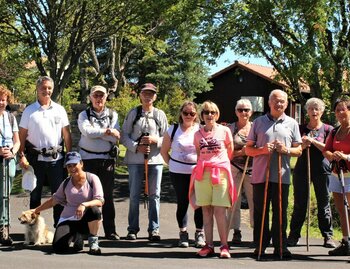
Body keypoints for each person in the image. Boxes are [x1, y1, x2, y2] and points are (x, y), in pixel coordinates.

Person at [245, 89, 302, 259]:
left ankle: (281, 247)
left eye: (282, 101)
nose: (279, 104)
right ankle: (260, 246)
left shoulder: (292, 123)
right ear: (269, 103)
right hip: (260, 176)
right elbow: (248, 149)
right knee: (261, 212)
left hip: (282, 175)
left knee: (280, 212)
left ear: (286, 104)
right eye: (276, 101)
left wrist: (285, 150)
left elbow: (298, 150)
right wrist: (262, 150)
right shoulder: (258, 122)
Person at [18, 76, 72, 227]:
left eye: (49, 88)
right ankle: (33, 230)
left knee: (59, 196)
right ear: (37, 89)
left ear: (52, 89)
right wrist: (22, 156)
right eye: (43, 88)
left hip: (57, 160)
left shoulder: (59, 110)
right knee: (35, 196)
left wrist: (69, 156)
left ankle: (60, 228)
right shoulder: (29, 111)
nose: (46, 90)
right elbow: (21, 136)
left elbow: (67, 134)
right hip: (35, 160)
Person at [32, 151, 104, 255]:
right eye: (69, 166)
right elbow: (54, 200)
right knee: (58, 248)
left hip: (87, 220)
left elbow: (100, 201)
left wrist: (84, 204)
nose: (72, 168)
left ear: (81, 164)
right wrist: (36, 210)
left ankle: (93, 242)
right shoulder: (66, 182)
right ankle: (77, 236)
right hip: (69, 218)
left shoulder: (92, 178)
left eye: (75, 165)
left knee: (95, 210)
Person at [121, 83, 168, 241]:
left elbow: (166, 138)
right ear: (140, 95)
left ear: (155, 96)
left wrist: (156, 140)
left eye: (151, 94)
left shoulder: (160, 114)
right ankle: (132, 229)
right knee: (134, 196)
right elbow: (124, 136)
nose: (148, 96)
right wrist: (136, 147)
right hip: (135, 161)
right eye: (145, 93)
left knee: (154, 196)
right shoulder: (133, 113)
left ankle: (154, 229)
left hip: (155, 161)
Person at [190, 100, 235, 259]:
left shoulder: (225, 131)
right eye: (206, 112)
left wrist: (219, 163)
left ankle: (224, 245)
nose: (209, 115)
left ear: (217, 114)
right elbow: (198, 153)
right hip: (203, 174)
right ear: (201, 115)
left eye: (212, 112)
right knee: (206, 210)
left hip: (220, 173)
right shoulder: (197, 134)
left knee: (220, 210)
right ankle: (209, 245)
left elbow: (230, 151)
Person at [288, 98, 335, 248]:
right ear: (307, 111)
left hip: (323, 170)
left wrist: (313, 142)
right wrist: (303, 143)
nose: (314, 112)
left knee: (324, 203)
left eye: (317, 109)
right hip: (302, 170)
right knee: (300, 203)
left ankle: (328, 236)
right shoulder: (300, 128)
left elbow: (329, 150)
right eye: (311, 109)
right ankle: (294, 235)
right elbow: (295, 148)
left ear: (322, 111)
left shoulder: (328, 129)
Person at [77, 85, 120, 240]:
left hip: (107, 159)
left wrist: (98, 133)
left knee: (107, 196)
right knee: (87, 196)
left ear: (106, 97)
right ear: (90, 97)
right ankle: (85, 231)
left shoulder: (112, 114)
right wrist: (107, 131)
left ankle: (111, 230)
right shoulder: (84, 114)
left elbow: (116, 137)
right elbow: (87, 132)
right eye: (95, 96)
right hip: (87, 159)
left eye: (101, 96)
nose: (98, 99)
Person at [160, 101, 204, 248]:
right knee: (183, 202)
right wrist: (172, 164)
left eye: (192, 113)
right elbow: (164, 151)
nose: (188, 116)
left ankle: (199, 233)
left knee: (199, 203)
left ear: (196, 115)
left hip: (197, 171)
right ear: (181, 113)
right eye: (185, 113)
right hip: (178, 172)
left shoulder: (201, 130)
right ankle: (183, 233)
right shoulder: (172, 130)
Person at [323, 96, 350, 256]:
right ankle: (346, 241)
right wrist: (332, 155)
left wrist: (346, 156)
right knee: (341, 209)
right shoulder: (334, 131)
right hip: (336, 174)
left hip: (349, 174)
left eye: (343, 109)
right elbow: (326, 149)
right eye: (337, 110)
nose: (340, 112)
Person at [227, 99, 254, 245]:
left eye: (246, 110)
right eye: (240, 110)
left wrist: (250, 151)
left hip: (253, 170)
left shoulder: (256, 127)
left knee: (255, 201)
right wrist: (241, 152)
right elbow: (226, 152)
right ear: (236, 112)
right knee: (233, 201)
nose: (243, 112)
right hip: (234, 168)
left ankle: (257, 230)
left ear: (251, 112)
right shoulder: (230, 129)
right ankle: (236, 230)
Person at [0, 85, 20, 246]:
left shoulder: (10, 117)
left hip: (9, 158)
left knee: (6, 195)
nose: (1, 102)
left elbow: (17, 140)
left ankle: (4, 229)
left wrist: (13, 152)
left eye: (3, 99)